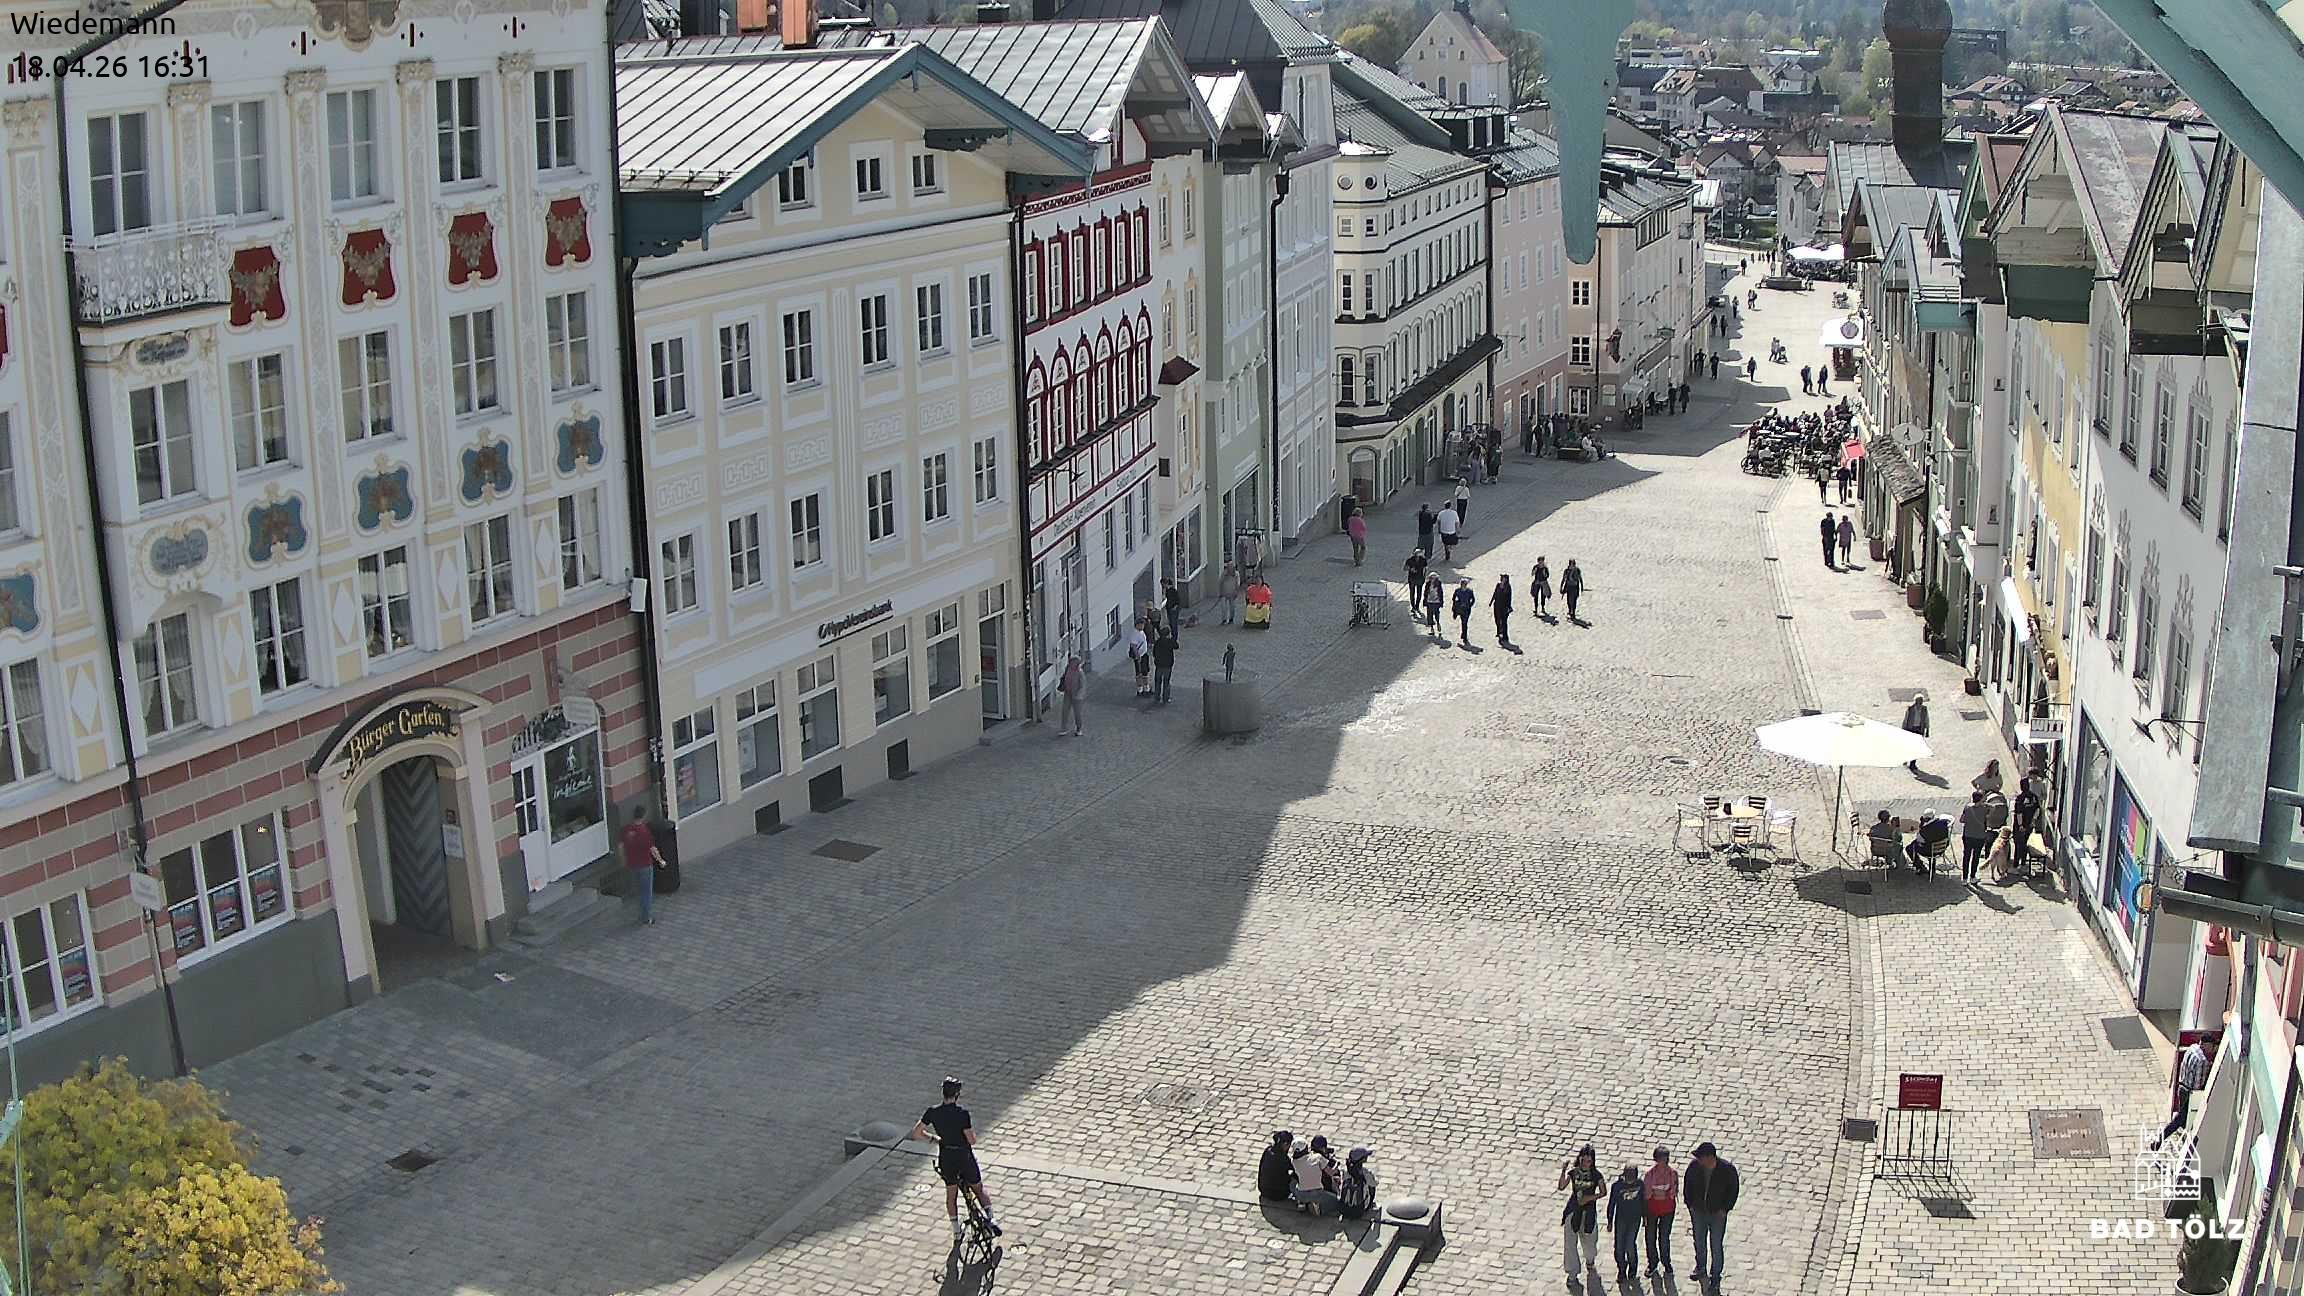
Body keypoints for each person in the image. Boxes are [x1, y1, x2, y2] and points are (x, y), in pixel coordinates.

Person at [911, 1077, 1001, 1244]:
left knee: (951, 1196)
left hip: (947, 1158)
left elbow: (916, 1133)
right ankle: (991, 1219)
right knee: (978, 1189)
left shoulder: (933, 1112)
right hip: (964, 1157)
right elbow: (972, 1140)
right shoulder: (962, 1114)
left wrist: (935, 1139)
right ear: (957, 1094)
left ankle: (956, 1231)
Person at [1683, 1142, 1738, 1293]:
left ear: (1709, 1158)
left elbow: (1733, 1190)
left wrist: (1725, 1209)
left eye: (1701, 1157)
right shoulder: (1694, 1167)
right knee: (1699, 1241)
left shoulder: (1727, 1170)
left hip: (1717, 1214)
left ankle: (1715, 1276)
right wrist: (1690, 1205)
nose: (1698, 1160)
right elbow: (1687, 1185)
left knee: (1716, 1245)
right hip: (1699, 1212)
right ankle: (1700, 1267)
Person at [2157, 1036, 2218, 1148]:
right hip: (2189, 1093)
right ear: (2206, 1044)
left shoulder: (2192, 1048)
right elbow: (2197, 1085)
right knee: (2181, 1120)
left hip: (2181, 1088)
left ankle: (2177, 1140)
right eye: (2212, 1047)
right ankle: (2159, 1141)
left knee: (2182, 1120)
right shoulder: (2202, 1060)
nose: (2212, 1049)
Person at [620, 808, 665, 926]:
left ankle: (638, 911)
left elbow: (620, 846)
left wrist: (624, 860)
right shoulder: (644, 831)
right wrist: (660, 861)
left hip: (631, 865)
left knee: (637, 890)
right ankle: (646, 917)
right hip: (645, 865)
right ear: (643, 816)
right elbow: (652, 849)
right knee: (646, 892)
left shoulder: (626, 830)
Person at [1642, 1148, 1678, 1277]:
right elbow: (1647, 1194)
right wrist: (1662, 1193)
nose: (1666, 1161)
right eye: (1663, 1159)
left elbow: (1673, 1193)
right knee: (1650, 1237)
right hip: (1652, 1211)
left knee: (1664, 1237)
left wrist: (1659, 1193)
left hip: (1667, 1210)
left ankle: (1666, 1262)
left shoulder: (1672, 1173)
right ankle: (1652, 1263)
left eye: (1667, 1159)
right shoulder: (1649, 1174)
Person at [1608, 1163, 1646, 1285]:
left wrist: (1645, 1217)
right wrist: (1609, 1220)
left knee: (1630, 1244)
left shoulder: (1640, 1185)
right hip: (1621, 1219)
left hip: (1635, 1219)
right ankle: (1622, 1270)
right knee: (1619, 1247)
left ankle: (1632, 1268)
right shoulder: (1617, 1186)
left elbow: (1643, 1201)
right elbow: (1612, 1204)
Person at [1289, 1139, 1340, 1216]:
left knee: (1292, 1183)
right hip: (1317, 1193)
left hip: (1301, 1193)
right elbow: (1331, 1173)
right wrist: (1337, 1164)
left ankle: (1301, 1202)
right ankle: (1318, 1208)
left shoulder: (1293, 1161)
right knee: (1336, 1201)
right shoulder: (1318, 1157)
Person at [1959, 791, 1993, 882]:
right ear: (1981, 799)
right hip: (1979, 836)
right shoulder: (1984, 809)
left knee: (1966, 856)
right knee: (1976, 856)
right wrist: (1985, 804)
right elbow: (1993, 808)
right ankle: (1973, 877)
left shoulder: (1967, 807)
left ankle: (1964, 878)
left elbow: (1962, 820)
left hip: (1967, 835)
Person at [1339, 1147, 1380, 1219]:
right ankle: (1369, 1205)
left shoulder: (1345, 1171)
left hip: (1344, 1209)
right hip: (1359, 1211)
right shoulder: (1365, 1173)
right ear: (1362, 1160)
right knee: (1371, 1187)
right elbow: (1374, 1183)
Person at [1907, 809, 1951, 875]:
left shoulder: (1925, 830)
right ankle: (1931, 869)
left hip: (1930, 851)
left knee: (1910, 848)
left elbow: (1919, 839)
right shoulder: (1943, 823)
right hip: (1942, 848)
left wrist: (1921, 826)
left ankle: (1921, 867)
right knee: (1932, 844)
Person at [1258, 1130, 1297, 1202]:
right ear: (1285, 1144)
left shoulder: (1268, 1150)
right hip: (1277, 1195)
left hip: (1263, 1190)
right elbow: (1295, 1168)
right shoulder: (1282, 1158)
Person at [1902, 692, 1931, 774]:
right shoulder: (1910, 708)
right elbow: (1906, 719)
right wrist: (1903, 729)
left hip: (1919, 729)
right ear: (1915, 701)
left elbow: (1926, 719)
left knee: (1916, 747)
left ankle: (1912, 764)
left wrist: (1927, 729)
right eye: (1919, 701)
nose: (1920, 702)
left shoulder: (1924, 709)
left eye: (1921, 701)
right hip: (1910, 728)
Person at [1058, 654, 1086, 736]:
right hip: (1068, 693)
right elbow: (1064, 677)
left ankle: (1079, 728)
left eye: (1074, 662)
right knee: (1065, 711)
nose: (1072, 664)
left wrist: (1078, 695)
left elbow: (1082, 685)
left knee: (1077, 713)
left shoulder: (1080, 672)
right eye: (1071, 662)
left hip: (1077, 696)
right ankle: (1064, 728)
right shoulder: (1068, 669)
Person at [1150, 628, 1177, 705]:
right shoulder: (1169, 642)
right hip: (1168, 665)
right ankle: (1166, 698)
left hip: (1159, 665)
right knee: (1166, 681)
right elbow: (1176, 646)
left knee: (1158, 681)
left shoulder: (1158, 642)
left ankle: (1157, 697)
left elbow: (1154, 652)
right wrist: (1172, 639)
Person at [1127, 618, 1152, 698]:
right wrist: (1138, 657)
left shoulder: (1140, 632)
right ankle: (1140, 690)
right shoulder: (1134, 634)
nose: (1143, 626)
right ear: (1137, 625)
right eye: (1142, 624)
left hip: (1144, 654)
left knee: (1145, 672)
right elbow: (1134, 647)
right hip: (1140, 657)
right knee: (1140, 673)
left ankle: (1146, 688)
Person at [1405, 550, 1431, 623]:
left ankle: (1417, 606)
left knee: (1419, 593)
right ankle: (1413, 606)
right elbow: (1405, 568)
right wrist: (1410, 569)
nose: (1417, 556)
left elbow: (1426, 568)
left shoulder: (1423, 560)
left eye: (1418, 555)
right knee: (1412, 593)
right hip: (1412, 579)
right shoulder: (1410, 560)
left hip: (1420, 579)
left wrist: (1424, 576)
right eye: (1416, 555)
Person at [1451, 578, 1477, 647]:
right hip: (1460, 609)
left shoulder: (1469, 591)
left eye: (1465, 584)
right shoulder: (1457, 591)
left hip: (1467, 609)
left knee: (1465, 622)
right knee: (1463, 622)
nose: (1464, 585)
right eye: (1463, 584)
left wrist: (1470, 605)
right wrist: (1456, 604)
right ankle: (1463, 634)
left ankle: (1464, 636)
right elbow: (1454, 598)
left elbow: (1473, 599)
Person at [1491, 572, 1514, 646]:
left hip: (1504, 607)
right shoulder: (1498, 585)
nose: (1503, 580)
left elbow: (1509, 597)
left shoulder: (1508, 587)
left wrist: (1508, 607)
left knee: (1504, 622)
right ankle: (1499, 632)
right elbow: (1495, 593)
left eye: (1504, 578)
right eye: (1502, 578)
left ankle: (1505, 636)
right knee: (1497, 619)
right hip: (1497, 605)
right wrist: (1491, 601)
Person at [1216, 561, 1241, 625]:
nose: (1230, 569)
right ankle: (1224, 619)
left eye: (1231, 567)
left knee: (1232, 607)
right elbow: (1220, 583)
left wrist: (1236, 592)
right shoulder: (1224, 574)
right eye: (1228, 567)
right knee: (1223, 607)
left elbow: (1238, 584)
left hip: (1232, 593)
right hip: (1224, 593)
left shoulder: (1236, 574)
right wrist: (1220, 592)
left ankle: (1231, 619)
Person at [1422, 574, 1446, 639]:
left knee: (1436, 614)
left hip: (1436, 602)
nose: (1432, 579)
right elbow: (1425, 592)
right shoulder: (1428, 584)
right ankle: (1432, 628)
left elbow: (1441, 593)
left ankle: (1438, 623)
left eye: (1434, 578)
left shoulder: (1438, 584)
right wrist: (1424, 601)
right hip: (1429, 601)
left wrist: (1441, 602)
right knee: (1429, 615)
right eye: (1431, 578)